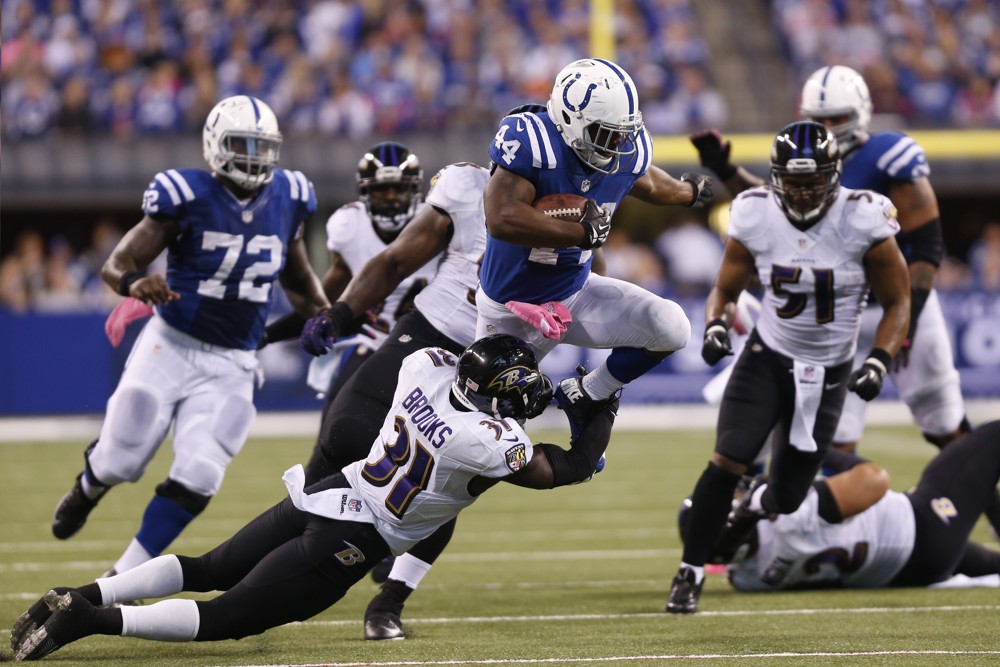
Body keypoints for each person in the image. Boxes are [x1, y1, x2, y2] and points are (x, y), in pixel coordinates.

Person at [11, 334, 618, 662]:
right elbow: (568, 467)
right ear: (496, 400)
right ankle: (87, 618)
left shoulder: (427, 367)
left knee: (210, 566)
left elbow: (474, 375)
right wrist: (601, 403)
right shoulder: (490, 442)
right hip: (355, 539)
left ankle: (86, 591)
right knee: (228, 616)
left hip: (331, 491)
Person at [48, 96, 330, 579]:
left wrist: (331, 316)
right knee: (121, 458)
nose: (253, 157)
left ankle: (122, 576)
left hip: (233, 362)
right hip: (171, 345)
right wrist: (135, 284)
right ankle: (90, 484)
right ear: (215, 144)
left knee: (202, 471)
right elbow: (118, 262)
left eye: (262, 147)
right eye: (241, 144)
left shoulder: (290, 196)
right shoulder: (186, 194)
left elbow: (300, 281)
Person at [297, 111, 536, 639]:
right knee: (341, 435)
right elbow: (394, 261)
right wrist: (339, 314)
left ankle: (389, 600)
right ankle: (308, 539)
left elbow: (594, 291)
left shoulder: (573, 214)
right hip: (426, 330)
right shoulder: (463, 188)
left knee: (447, 477)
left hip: (494, 364)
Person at [666, 120, 911, 614]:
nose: (801, 193)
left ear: (834, 175)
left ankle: (757, 504)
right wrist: (717, 323)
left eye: (811, 181)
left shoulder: (864, 218)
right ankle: (690, 572)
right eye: (792, 182)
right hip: (768, 356)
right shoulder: (755, 212)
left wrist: (881, 359)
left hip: (829, 370)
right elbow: (727, 285)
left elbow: (898, 299)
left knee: (789, 496)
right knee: (728, 457)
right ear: (775, 178)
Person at [690, 65, 969, 455]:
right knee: (833, 441)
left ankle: (990, 506)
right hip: (836, 316)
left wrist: (910, 316)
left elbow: (927, 248)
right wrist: (726, 171)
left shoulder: (888, 155)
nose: (827, 127)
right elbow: (776, 202)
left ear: (861, 113)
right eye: (818, 119)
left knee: (942, 420)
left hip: (896, 305)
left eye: (836, 118)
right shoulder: (806, 159)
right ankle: (842, 513)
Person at [476, 58, 710, 424]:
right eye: (607, 133)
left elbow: (643, 178)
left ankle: (589, 393)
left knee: (671, 325)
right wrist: (577, 232)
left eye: (623, 133)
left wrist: (687, 191)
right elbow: (501, 217)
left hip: (575, 295)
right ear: (571, 120)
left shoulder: (622, 151)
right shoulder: (534, 140)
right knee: (492, 440)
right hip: (510, 311)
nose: (618, 144)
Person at [708, 421, 1000, 591]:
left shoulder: (746, 579)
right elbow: (875, 481)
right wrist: (814, 454)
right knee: (992, 439)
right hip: (922, 526)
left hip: (904, 573)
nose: (738, 496)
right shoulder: (794, 517)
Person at [260, 141, 437, 407]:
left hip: (435, 350)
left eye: (398, 189)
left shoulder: (439, 226)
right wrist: (266, 335)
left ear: (416, 190)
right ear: (365, 193)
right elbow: (321, 306)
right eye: (381, 190)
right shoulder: (350, 228)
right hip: (377, 344)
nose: (390, 198)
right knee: (334, 427)